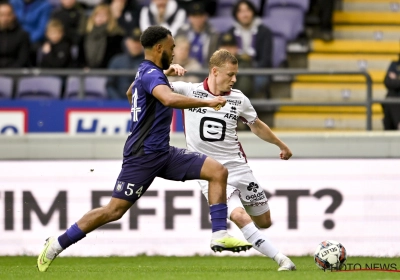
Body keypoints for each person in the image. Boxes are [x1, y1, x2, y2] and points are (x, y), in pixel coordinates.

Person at [37, 26, 251, 273]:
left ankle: (219, 235)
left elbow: (131, 93)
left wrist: (161, 78)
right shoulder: (151, 74)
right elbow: (169, 99)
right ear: (159, 48)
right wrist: (208, 101)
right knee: (113, 211)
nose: (173, 53)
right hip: (142, 156)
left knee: (217, 171)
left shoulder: (146, 72)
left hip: (163, 152)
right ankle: (56, 244)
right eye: (171, 48)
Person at [170, 49, 296, 271]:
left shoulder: (239, 99)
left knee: (264, 221)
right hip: (210, 172)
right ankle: (282, 260)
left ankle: (252, 230)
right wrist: (165, 70)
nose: (234, 79)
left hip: (239, 168)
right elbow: (147, 85)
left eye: (235, 74)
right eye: (230, 74)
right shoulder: (188, 90)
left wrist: (280, 144)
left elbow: (256, 125)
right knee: (238, 215)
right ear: (215, 71)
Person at [227, 0, 273, 97]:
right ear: (236, 14)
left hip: (257, 70)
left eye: (247, 10)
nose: (244, 14)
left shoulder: (264, 32)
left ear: (253, 12)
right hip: (236, 69)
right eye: (240, 11)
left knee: (247, 82)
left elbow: (265, 59)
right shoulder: (230, 32)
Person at [79, 3, 124, 68]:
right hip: (86, 71)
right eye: (98, 15)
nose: (100, 18)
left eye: (104, 15)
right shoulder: (85, 35)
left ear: (109, 17)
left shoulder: (115, 36)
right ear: (93, 17)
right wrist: (84, 67)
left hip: (106, 71)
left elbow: (115, 58)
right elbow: (80, 57)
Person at [175, 1, 219, 67]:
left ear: (205, 16)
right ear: (189, 17)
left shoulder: (214, 34)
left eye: (200, 16)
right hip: (183, 68)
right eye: (194, 16)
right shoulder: (181, 31)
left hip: (205, 70)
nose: (197, 19)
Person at [106, 28, 144, 99]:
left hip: (142, 105)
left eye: (139, 42)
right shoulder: (117, 61)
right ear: (127, 42)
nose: (136, 45)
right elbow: (109, 85)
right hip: (118, 105)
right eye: (134, 41)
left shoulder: (149, 62)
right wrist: (118, 102)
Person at [0, 2, 30, 68]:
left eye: (8, 15)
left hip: (15, 74)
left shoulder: (23, 35)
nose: (5, 18)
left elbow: (23, 60)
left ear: (13, 16)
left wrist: (9, 73)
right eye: (2, 15)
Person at [382, 60, 400, 130]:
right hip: (395, 98)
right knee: (390, 97)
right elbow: (388, 82)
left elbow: (392, 82)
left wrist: (396, 79)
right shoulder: (394, 64)